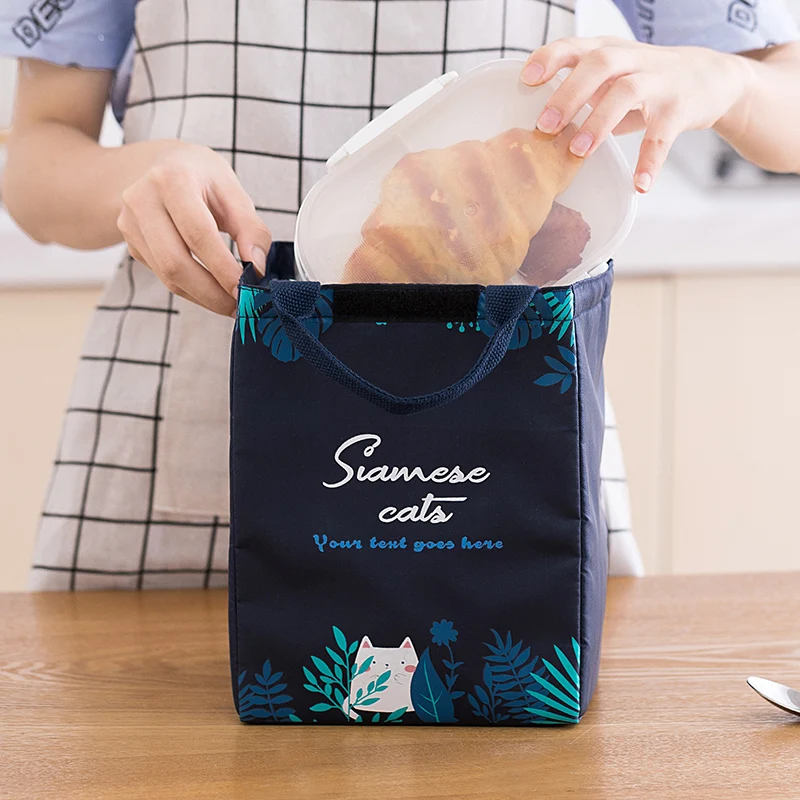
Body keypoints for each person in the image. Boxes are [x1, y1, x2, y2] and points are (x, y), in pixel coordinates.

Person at [1, 0, 798, 590]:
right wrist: (134, 174)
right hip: (183, 453)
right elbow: (34, 154)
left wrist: (724, 79)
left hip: (508, 419)